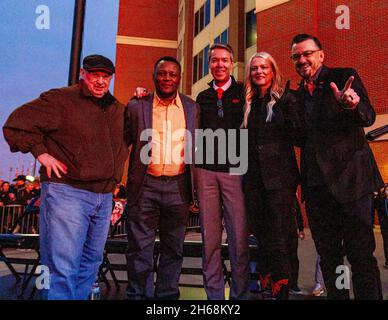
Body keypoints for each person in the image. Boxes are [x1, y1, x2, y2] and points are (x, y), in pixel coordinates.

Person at [3, 54, 128, 299]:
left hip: (103, 198)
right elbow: (15, 124)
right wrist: (42, 154)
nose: (101, 81)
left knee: (91, 264)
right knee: (63, 265)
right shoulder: (61, 99)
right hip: (68, 193)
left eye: (106, 76)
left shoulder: (116, 109)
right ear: (83, 74)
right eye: (95, 75)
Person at [290, 33, 384, 299]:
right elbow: (302, 140)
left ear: (321, 54)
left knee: (361, 256)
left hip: (352, 185)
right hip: (318, 191)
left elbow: (368, 115)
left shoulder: (344, 77)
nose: (302, 60)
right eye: (296, 56)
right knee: (331, 261)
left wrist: (351, 104)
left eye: (307, 53)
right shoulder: (297, 96)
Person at [124, 56, 199, 300]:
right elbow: (122, 142)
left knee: (173, 249)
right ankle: (138, 296)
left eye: (172, 74)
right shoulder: (137, 105)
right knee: (139, 249)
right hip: (145, 186)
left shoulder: (192, 107)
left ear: (179, 77)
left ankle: (167, 298)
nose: (167, 78)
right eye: (162, 73)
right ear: (154, 76)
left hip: (179, 187)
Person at [242, 52, 301, 300]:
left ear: (273, 70)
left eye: (264, 67)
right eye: (254, 68)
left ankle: (283, 286)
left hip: (279, 181)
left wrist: (283, 106)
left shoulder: (286, 99)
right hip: (253, 181)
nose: (259, 72)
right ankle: (266, 283)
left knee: (280, 235)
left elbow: (298, 136)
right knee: (261, 234)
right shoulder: (248, 103)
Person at [195, 43, 249, 300]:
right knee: (210, 239)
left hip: (235, 172)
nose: (219, 65)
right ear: (210, 64)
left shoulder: (243, 92)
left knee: (238, 238)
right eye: (214, 60)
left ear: (231, 62)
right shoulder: (201, 97)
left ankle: (239, 295)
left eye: (224, 60)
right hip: (206, 172)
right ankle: (214, 296)